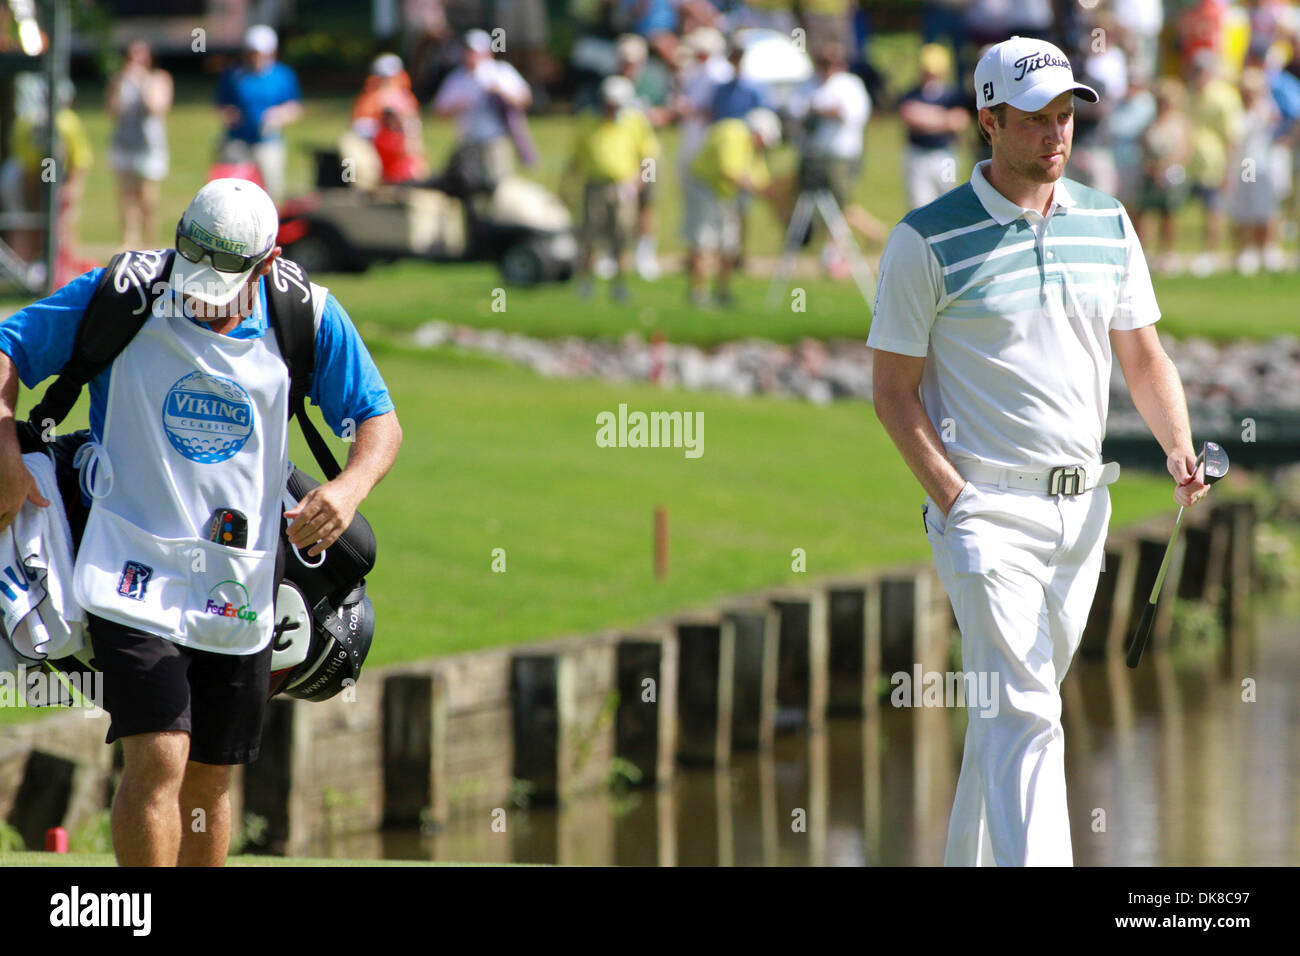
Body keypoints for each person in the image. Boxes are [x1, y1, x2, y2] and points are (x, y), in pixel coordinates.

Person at [869, 37, 1212, 867]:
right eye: (1035, 120)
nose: (1057, 135)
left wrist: (1177, 444)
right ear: (988, 120)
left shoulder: (1107, 220)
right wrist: (957, 500)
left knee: (1008, 717)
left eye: (1066, 116)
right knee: (1029, 714)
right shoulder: (925, 240)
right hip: (986, 513)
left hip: (1083, 511)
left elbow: (1142, 355)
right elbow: (892, 392)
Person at [0, 179, 402, 866]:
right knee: (158, 756)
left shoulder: (305, 314)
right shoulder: (124, 293)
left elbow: (379, 422)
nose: (198, 299)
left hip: (242, 579)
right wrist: (5, 450)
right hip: (128, 563)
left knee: (211, 778)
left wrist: (349, 487)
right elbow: (8, 348)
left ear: (267, 262)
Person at [570, 76, 657, 301]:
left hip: (623, 187)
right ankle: (585, 284)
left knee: (620, 237)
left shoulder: (635, 122)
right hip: (594, 185)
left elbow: (649, 160)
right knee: (589, 236)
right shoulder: (588, 121)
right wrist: (565, 189)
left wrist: (637, 185)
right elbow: (576, 160)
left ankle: (619, 286)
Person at [686, 107, 782, 306]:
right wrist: (760, 190)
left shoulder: (752, 148)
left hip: (727, 195)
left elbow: (760, 180)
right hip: (705, 189)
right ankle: (697, 293)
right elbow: (728, 171)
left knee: (729, 245)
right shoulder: (732, 134)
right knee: (704, 242)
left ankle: (722, 293)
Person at [432, 29, 533, 192]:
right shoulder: (457, 78)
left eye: (473, 51)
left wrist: (501, 94)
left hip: (496, 140)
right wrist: (460, 105)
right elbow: (438, 112)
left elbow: (524, 100)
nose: (469, 56)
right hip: (468, 143)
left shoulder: (500, 71)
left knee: (500, 187)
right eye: (467, 51)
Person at [215, 25, 302, 202]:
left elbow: (294, 106)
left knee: (272, 191)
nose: (256, 58)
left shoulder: (283, 75)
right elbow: (220, 104)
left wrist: (279, 115)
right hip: (237, 140)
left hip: (268, 141)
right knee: (230, 192)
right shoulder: (234, 75)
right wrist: (229, 114)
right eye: (252, 53)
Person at [107, 39, 172, 250]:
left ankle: (148, 242)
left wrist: (142, 83)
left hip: (148, 146)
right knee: (125, 198)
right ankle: (128, 241)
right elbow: (112, 111)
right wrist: (122, 84)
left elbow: (156, 107)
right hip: (124, 144)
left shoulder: (158, 78)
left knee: (147, 199)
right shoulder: (120, 81)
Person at [898, 42, 970, 209]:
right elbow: (909, 115)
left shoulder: (952, 95)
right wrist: (944, 118)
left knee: (949, 200)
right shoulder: (912, 93)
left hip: (946, 156)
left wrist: (925, 117)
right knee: (919, 203)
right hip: (918, 156)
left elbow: (959, 122)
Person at [1136, 78, 1194, 274]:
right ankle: (1144, 252)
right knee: (1144, 212)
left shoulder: (1180, 123)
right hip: (1152, 172)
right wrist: (1152, 167)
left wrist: (1166, 166)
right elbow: (1143, 146)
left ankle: (1166, 253)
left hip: (1172, 173)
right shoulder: (1150, 122)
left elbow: (1185, 149)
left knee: (1168, 213)